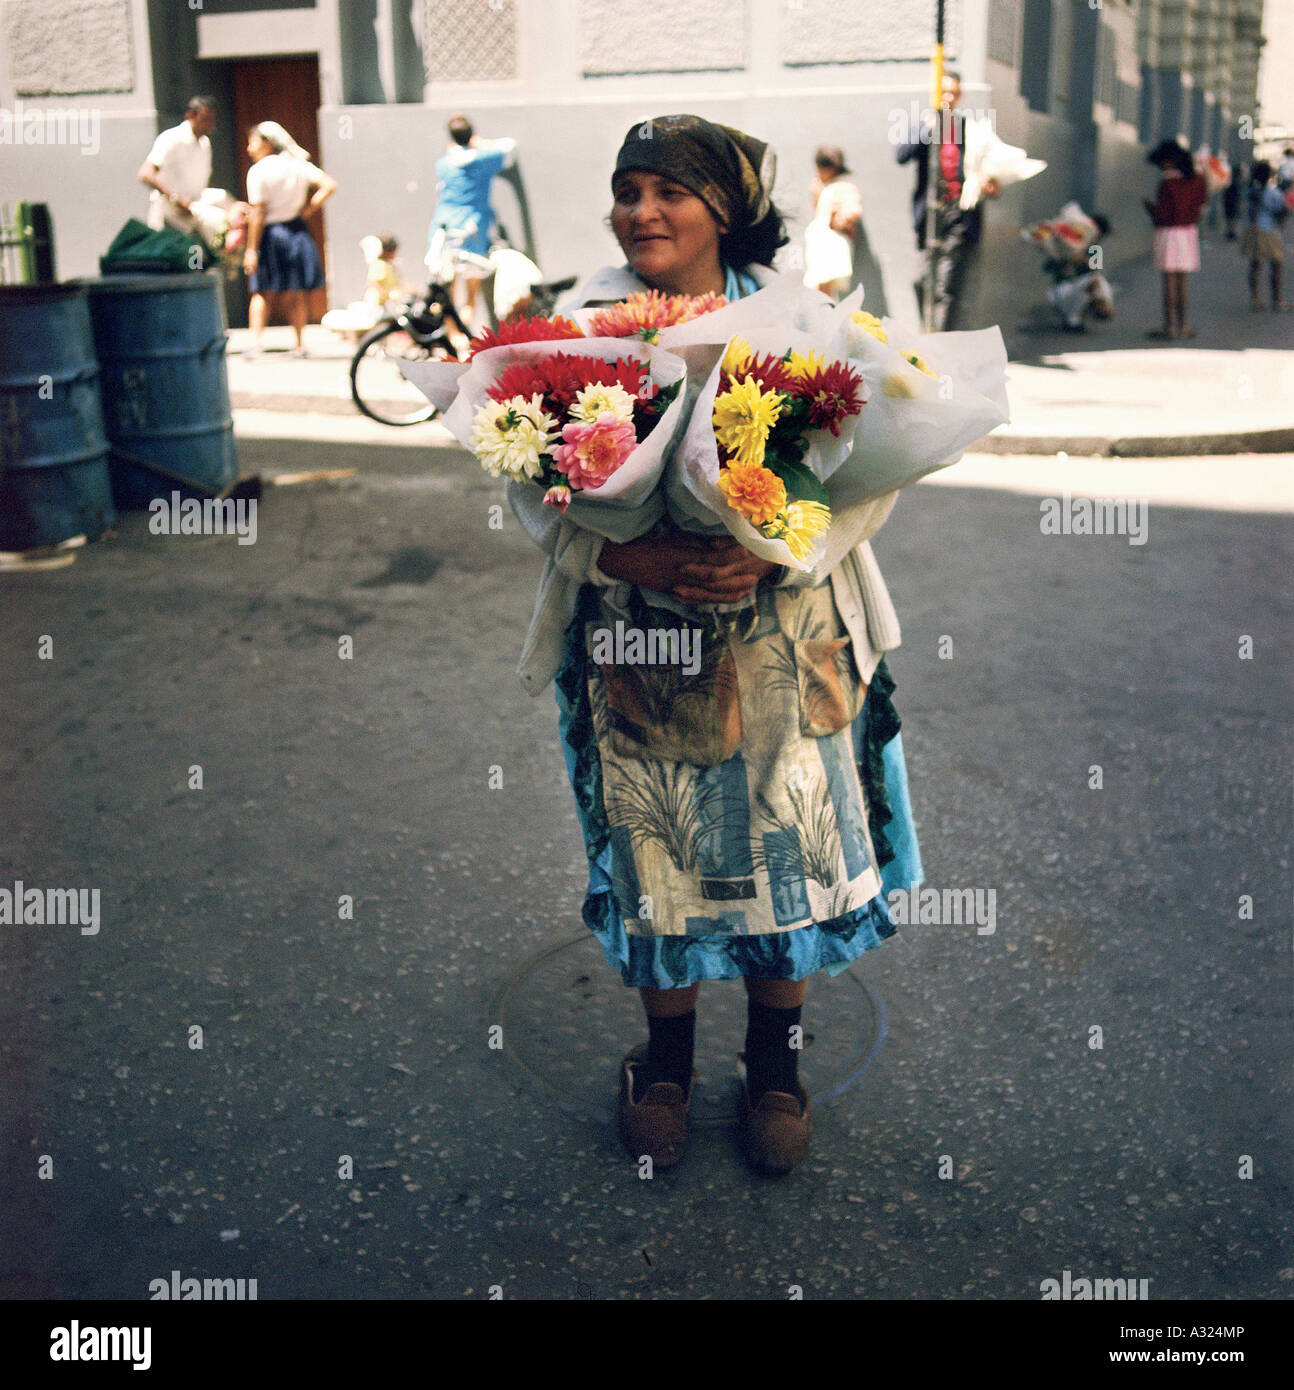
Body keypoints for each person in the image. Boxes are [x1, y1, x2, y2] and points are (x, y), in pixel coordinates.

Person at [511, 114, 922, 1177]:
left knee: (787, 840)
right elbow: (533, 486)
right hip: (641, 641)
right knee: (662, 850)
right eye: (626, 188)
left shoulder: (801, 318)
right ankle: (665, 1063)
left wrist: (778, 550)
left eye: (667, 191)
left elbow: (864, 486)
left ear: (725, 207)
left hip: (787, 636)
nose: (640, 212)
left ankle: (776, 1065)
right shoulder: (582, 320)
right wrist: (621, 562)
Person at [895, 69, 1000, 330]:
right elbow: (901, 156)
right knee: (920, 280)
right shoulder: (925, 123)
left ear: (959, 95)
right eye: (944, 92)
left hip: (958, 213)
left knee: (945, 284)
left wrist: (988, 183)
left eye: (953, 92)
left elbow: (983, 167)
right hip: (929, 214)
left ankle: (938, 343)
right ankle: (927, 330)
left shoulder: (967, 128)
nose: (948, 98)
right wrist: (925, 129)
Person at [242, 121, 337, 358]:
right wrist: (306, 210)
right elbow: (328, 185)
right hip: (296, 230)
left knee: (262, 290)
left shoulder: (259, 171)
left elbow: (259, 213)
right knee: (296, 290)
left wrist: (251, 249)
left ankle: (256, 342)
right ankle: (299, 344)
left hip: (270, 233)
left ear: (267, 143)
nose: (248, 149)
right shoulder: (297, 165)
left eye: (252, 142)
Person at [427, 114, 516, 332]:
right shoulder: (483, 160)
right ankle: (464, 333)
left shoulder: (444, 164)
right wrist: (481, 143)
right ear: (471, 135)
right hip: (472, 228)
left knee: (448, 286)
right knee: (471, 288)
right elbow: (509, 147)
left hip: (444, 227)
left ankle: (453, 333)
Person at [1143, 138, 1208, 340]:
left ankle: (1169, 327)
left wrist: (1149, 207)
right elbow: (1201, 204)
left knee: (1169, 282)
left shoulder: (1167, 182)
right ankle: (1184, 326)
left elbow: (1162, 214)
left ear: (1168, 161)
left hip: (1169, 234)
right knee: (1182, 282)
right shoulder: (1197, 179)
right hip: (1188, 234)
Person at [137, 96, 216, 233]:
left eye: (211, 120)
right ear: (191, 115)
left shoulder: (205, 144)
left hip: (193, 216)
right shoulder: (171, 138)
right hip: (168, 217)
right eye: (205, 119)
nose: (209, 124)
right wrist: (175, 198)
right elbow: (146, 173)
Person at [803, 145, 862, 298]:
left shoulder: (843, 186)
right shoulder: (823, 185)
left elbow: (853, 210)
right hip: (821, 241)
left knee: (825, 286)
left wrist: (841, 219)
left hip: (830, 243)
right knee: (818, 286)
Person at [1241, 161, 1290, 312]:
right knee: (1276, 266)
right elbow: (1282, 210)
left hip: (1252, 231)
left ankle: (1255, 299)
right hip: (1269, 231)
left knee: (1255, 266)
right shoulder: (1273, 193)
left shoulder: (1249, 191)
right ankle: (1277, 300)